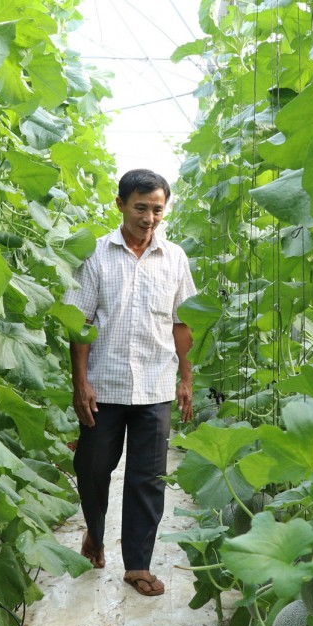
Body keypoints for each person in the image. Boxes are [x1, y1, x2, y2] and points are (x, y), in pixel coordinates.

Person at [62, 168, 197, 597]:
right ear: (120, 204)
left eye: (157, 209)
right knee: (93, 468)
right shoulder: (98, 254)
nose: (149, 218)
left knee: (148, 478)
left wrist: (186, 378)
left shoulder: (174, 258)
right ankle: (95, 533)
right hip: (105, 384)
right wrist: (80, 382)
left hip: (156, 385)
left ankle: (137, 565)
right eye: (141, 208)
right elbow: (80, 323)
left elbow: (182, 323)